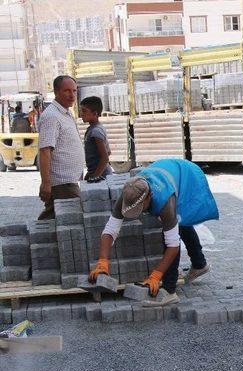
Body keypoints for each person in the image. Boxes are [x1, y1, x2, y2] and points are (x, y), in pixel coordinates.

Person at [88, 159, 217, 306]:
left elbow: (173, 245)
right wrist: (102, 262)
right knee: (176, 224)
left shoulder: (165, 201)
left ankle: (169, 291)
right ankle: (200, 264)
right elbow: (110, 229)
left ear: (149, 196)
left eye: (140, 208)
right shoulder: (128, 194)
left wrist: (156, 275)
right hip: (166, 170)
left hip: (187, 176)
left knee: (174, 227)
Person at [37, 75, 84, 220]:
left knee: (57, 221)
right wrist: (46, 183)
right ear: (56, 92)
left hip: (69, 181)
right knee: (67, 221)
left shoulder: (65, 113)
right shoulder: (52, 116)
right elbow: (45, 150)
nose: (72, 95)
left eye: (74, 91)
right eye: (67, 91)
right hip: (62, 183)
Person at [79, 96, 113, 181]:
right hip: (98, 174)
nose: (81, 114)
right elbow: (108, 152)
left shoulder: (96, 131)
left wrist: (94, 177)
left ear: (95, 113)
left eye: (84, 111)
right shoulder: (92, 129)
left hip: (102, 177)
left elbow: (105, 157)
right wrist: (90, 174)